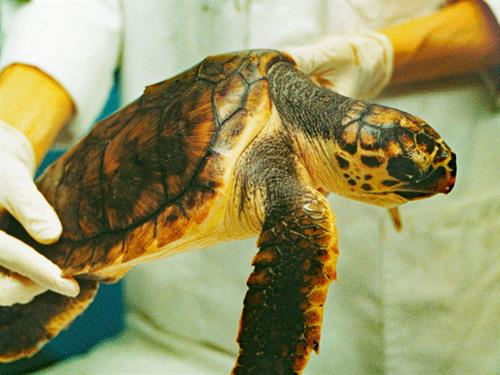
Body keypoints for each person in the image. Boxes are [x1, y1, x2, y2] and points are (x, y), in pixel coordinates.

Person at [0, 0, 498, 374]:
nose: (433, 181)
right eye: (408, 173)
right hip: (181, 337)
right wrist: (9, 134)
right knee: (304, 219)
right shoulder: (299, 199)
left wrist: (381, 52)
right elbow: (72, 10)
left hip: (439, 323)